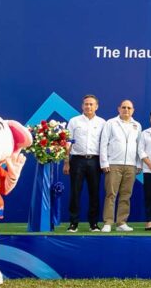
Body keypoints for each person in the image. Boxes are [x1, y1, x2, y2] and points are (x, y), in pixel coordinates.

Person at [64, 94, 106, 233]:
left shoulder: (102, 123)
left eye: (91, 104)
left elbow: (105, 144)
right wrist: (66, 162)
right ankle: (73, 223)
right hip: (77, 160)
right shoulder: (74, 121)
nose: (88, 106)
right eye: (86, 104)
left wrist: (103, 162)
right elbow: (68, 142)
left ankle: (93, 224)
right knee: (75, 192)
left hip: (95, 161)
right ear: (82, 106)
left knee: (94, 193)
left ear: (96, 106)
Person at [99, 99, 141, 232]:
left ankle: (121, 223)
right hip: (113, 164)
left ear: (133, 110)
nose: (126, 110)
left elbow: (139, 146)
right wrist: (104, 162)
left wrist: (138, 164)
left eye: (129, 108)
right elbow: (103, 143)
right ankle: (108, 222)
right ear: (119, 109)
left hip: (131, 165)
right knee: (111, 194)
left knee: (126, 194)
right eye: (124, 107)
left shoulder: (137, 125)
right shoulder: (111, 123)